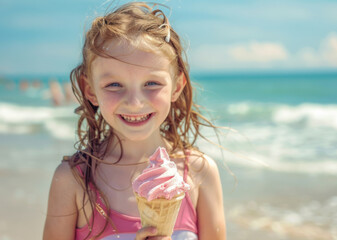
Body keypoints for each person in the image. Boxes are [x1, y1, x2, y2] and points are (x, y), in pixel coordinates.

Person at [43, 2, 226, 240]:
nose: (135, 102)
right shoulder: (72, 181)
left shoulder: (200, 173)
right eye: (114, 85)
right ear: (89, 89)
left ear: (176, 87)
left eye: (152, 83)